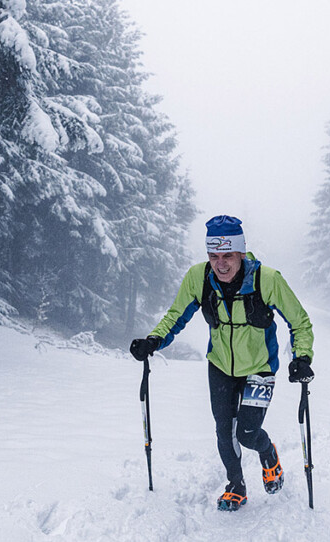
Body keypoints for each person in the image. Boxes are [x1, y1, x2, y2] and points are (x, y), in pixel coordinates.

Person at [130, 215, 314, 511]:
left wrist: (302, 357)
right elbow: (175, 316)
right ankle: (236, 485)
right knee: (224, 430)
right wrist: (154, 340)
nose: (221, 263)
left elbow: (300, 322)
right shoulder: (198, 278)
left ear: (241, 252)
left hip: (260, 368)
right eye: (214, 256)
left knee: (248, 433)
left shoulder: (267, 280)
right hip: (220, 366)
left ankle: (268, 454)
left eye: (228, 255)